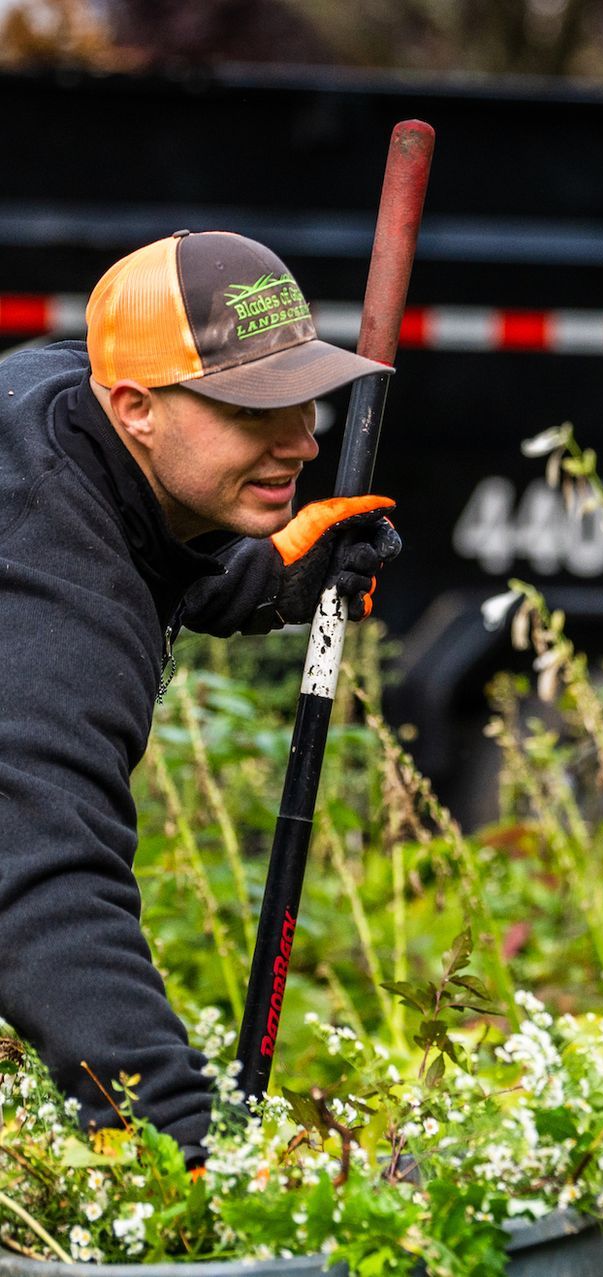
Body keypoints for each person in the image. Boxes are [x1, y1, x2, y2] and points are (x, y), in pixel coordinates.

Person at [0, 230, 402, 1163]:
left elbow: (142, 532)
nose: (303, 438)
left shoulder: (66, 397)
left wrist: (269, 578)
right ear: (137, 405)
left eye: (301, 392)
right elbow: (39, 886)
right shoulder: (49, 581)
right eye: (253, 410)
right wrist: (190, 1148)